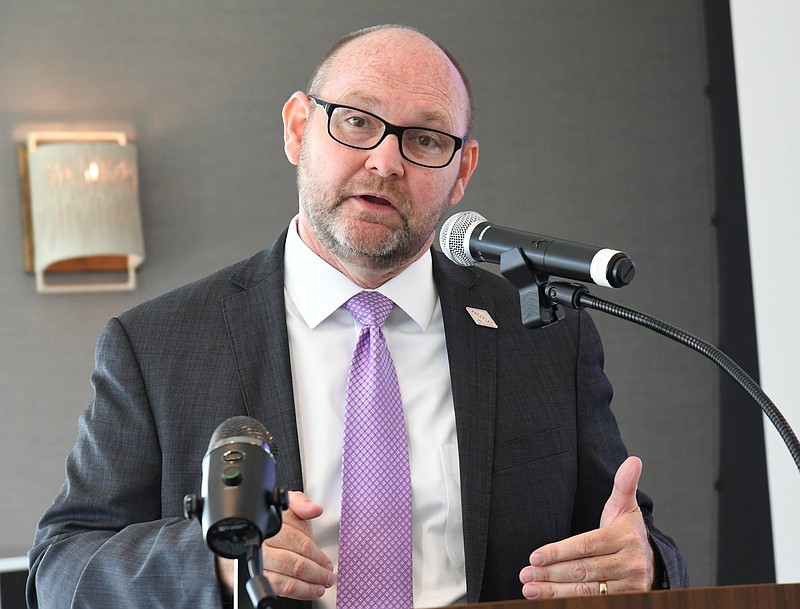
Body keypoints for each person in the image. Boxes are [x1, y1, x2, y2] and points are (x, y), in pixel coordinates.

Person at [27, 24, 688, 609]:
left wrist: (647, 566)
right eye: (356, 122)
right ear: (296, 128)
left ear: (462, 172)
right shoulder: (158, 345)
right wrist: (213, 564)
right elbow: (60, 571)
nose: (385, 161)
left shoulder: (542, 335)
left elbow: (629, 541)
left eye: (425, 139)